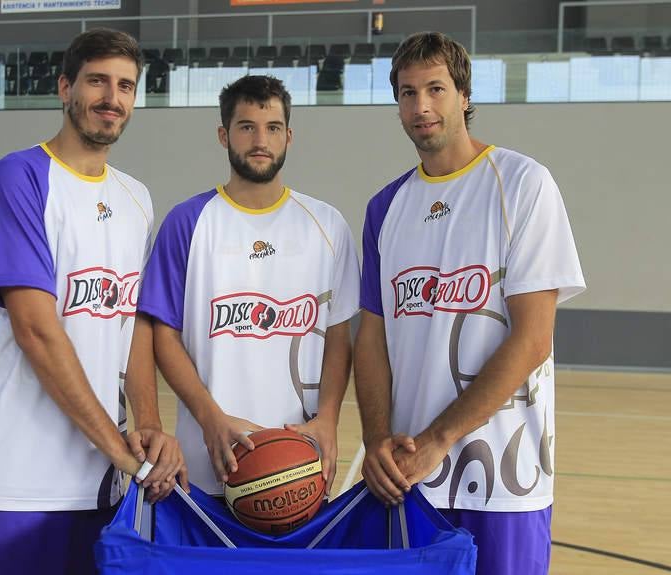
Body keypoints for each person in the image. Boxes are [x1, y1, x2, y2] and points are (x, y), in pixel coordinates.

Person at [0, 29, 186, 575]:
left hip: (98, 485)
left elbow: (132, 332)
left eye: (126, 85)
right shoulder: (20, 177)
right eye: (97, 80)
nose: (112, 97)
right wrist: (123, 452)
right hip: (11, 480)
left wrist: (145, 424)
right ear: (64, 87)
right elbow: (36, 330)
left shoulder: (136, 198)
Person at [354, 32, 586, 575]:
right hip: (410, 478)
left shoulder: (524, 184)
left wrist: (439, 439)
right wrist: (375, 442)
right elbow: (371, 337)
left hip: (506, 477)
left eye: (435, 89)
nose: (421, 106)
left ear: (463, 94)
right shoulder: (384, 208)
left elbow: (533, 338)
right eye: (407, 94)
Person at [138, 75, 360, 497]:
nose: (261, 139)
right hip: (208, 463)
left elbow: (338, 334)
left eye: (273, 128)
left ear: (289, 137)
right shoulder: (187, 222)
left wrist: (328, 418)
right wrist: (209, 418)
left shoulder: (327, 225)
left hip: (301, 464)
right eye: (246, 127)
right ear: (224, 135)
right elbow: (163, 335)